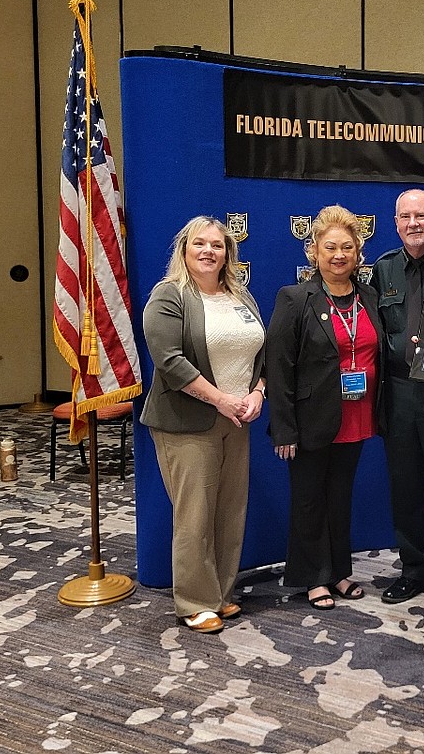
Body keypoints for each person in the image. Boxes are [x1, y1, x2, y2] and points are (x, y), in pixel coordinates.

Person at [141, 216, 266, 634]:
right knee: (195, 515)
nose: (209, 251)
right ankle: (194, 601)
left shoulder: (241, 295)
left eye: (218, 244)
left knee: (230, 512)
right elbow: (170, 361)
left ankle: (221, 594)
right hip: (189, 422)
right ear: (184, 249)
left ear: (228, 253)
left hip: (238, 417)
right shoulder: (170, 295)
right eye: (200, 243)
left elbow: (259, 356)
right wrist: (221, 400)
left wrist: (257, 393)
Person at [266, 205, 384, 610]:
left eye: (347, 248)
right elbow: (278, 366)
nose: (338, 255)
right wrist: (283, 428)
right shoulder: (295, 298)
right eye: (329, 247)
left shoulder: (369, 296)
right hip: (311, 419)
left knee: (339, 497)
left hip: (356, 414)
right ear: (313, 251)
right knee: (309, 498)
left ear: (358, 253)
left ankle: (339, 571)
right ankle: (312, 577)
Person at [371, 189, 424, 609]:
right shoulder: (384, 269)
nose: (414, 224)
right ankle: (413, 569)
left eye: (422, 216)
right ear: (396, 223)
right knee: (405, 487)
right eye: (405, 217)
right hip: (400, 393)